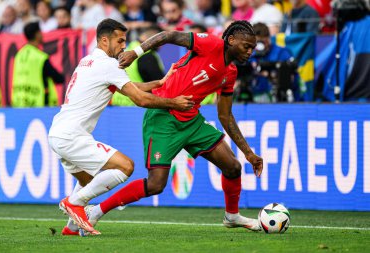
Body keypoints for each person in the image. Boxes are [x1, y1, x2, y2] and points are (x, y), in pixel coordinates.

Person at [84, 20, 264, 234]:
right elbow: (168, 35)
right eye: (247, 46)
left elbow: (225, 115)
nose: (250, 52)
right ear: (231, 40)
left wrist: (249, 153)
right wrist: (136, 52)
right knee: (155, 185)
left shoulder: (230, 72)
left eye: (253, 48)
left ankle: (232, 216)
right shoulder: (210, 44)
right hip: (164, 117)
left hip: (191, 120)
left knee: (233, 167)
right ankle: (96, 211)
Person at [48, 18, 194, 235]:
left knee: (89, 180)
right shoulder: (108, 64)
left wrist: (160, 83)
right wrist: (175, 103)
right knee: (125, 167)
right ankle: (74, 202)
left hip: (59, 132)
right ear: (104, 40)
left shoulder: (88, 61)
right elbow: (140, 100)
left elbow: (129, 86)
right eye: (120, 40)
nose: (124, 46)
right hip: (72, 136)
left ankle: (71, 227)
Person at [12, 22, 64, 107]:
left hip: (20, 103)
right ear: (37, 34)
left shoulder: (19, 55)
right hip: (39, 104)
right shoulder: (40, 57)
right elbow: (58, 78)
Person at [247, 22, 300, 103]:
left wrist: (271, 74)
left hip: (279, 98)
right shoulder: (248, 55)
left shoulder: (282, 52)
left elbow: (292, 77)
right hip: (254, 98)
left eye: (264, 42)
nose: (261, 46)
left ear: (269, 38)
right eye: (257, 43)